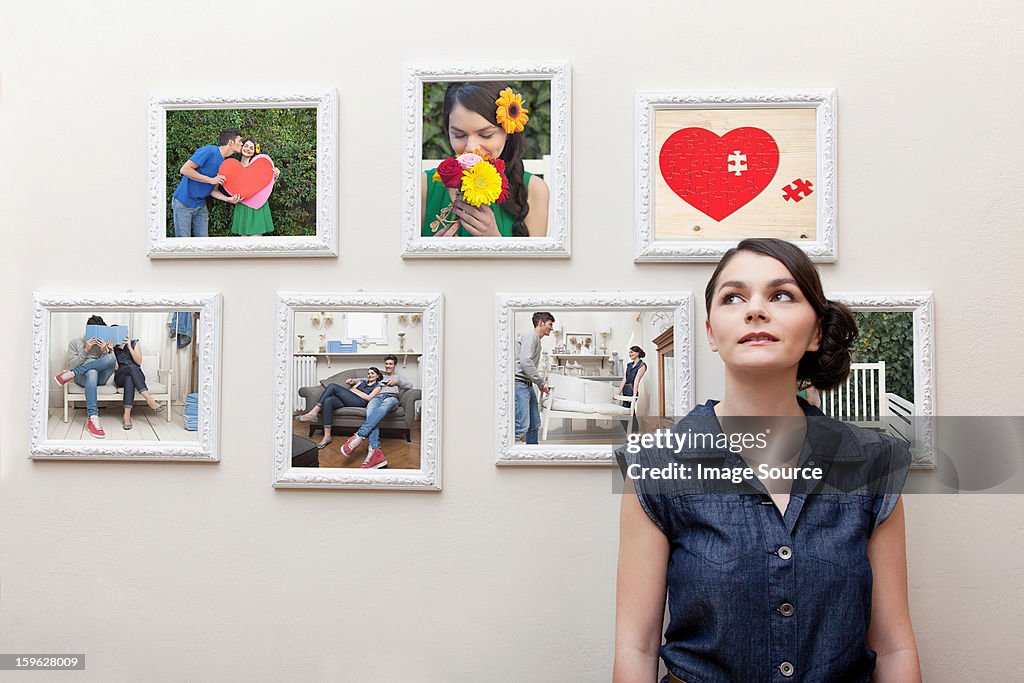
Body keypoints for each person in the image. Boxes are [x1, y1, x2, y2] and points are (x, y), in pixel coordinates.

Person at [614, 238, 920, 682]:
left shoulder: (872, 463)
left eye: (781, 295)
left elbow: (894, 647)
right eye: (733, 297)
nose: (755, 310)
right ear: (710, 333)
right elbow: (635, 649)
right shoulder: (655, 466)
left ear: (816, 332)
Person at [421, 81, 550, 237]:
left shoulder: (535, 190)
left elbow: (535, 262)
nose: (470, 148)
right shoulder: (424, 187)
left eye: (486, 135)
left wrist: (493, 239)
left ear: (508, 132)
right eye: (459, 135)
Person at [340, 356, 413, 469]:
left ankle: (359, 435)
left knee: (382, 408)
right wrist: (352, 381)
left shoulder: (399, 377)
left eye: (390, 364)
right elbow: (363, 379)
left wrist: (397, 382)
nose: (388, 366)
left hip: (391, 398)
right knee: (371, 414)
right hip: (377, 398)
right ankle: (375, 452)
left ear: (394, 365)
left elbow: (410, 386)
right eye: (386, 364)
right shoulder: (380, 377)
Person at [171, 127, 243, 237]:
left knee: (204, 243)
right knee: (183, 244)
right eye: (240, 141)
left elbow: (213, 191)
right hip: (183, 202)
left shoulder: (224, 164)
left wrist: (228, 199)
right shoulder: (209, 151)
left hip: (200, 205)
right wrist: (210, 179)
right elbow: (184, 169)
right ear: (230, 142)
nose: (241, 144)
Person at [53, 315, 117, 439]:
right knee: (92, 371)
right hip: (82, 378)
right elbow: (72, 364)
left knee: (112, 357)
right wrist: (86, 350)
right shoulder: (74, 342)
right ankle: (93, 418)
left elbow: (110, 365)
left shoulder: (101, 345)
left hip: (99, 378)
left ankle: (71, 374)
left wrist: (105, 351)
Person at [296, 367, 383, 450]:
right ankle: (327, 436)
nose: (370, 375)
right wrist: (355, 391)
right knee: (328, 400)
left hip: (360, 402)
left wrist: (355, 391)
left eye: (372, 373)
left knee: (332, 386)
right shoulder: (362, 382)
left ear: (378, 376)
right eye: (368, 373)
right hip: (349, 399)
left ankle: (314, 412)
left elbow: (368, 398)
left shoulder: (377, 386)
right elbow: (351, 389)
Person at [112, 333, 167, 430]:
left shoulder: (134, 343)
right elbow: (116, 367)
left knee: (130, 378)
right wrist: (111, 351)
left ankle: (127, 416)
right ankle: (149, 399)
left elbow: (138, 362)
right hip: (120, 376)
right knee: (130, 367)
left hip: (135, 376)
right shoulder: (113, 348)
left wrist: (129, 347)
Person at [514, 312, 554, 444]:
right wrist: (541, 382)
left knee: (534, 425)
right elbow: (525, 361)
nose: (552, 328)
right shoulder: (530, 336)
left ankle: (532, 457)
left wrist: (538, 383)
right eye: (550, 324)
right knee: (521, 426)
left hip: (527, 384)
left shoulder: (536, 340)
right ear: (541, 323)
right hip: (520, 384)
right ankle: (503, 454)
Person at [229, 137, 280, 236]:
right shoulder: (233, 167)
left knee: (256, 240)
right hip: (243, 204)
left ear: (254, 152)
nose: (248, 149)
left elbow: (266, 187)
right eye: (246, 146)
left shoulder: (260, 166)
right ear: (241, 147)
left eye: (251, 148)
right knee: (243, 241)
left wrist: (275, 176)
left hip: (258, 204)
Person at [614, 346, 647, 433]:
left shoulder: (642, 365)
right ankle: (633, 434)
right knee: (630, 414)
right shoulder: (629, 365)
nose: (630, 354)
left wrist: (634, 395)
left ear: (638, 353)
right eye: (629, 352)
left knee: (628, 414)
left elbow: (636, 380)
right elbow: (624, 379)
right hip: (625, 390)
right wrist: (618, 393)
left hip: (632, 390)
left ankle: (633, 434)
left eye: (632, 352)